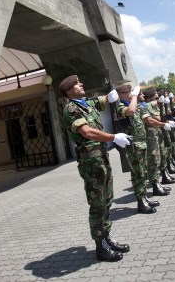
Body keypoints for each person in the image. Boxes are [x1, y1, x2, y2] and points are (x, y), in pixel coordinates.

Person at [60, 75, 132, 262]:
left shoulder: (85, 103)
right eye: (77, 83)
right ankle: (100, 247)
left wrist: (114, 94)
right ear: (68, 90)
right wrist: (113, 137)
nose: (81, 83)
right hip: (91, 164)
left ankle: (107, 238)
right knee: (97, 204)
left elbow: (103, 100)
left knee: (107, 200)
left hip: (101, 159)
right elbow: (87, 132)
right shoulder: (71, 108)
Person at [116, 84, 158, 214]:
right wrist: (135, 95)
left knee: (143, 172)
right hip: (133, 147)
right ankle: (141, 202)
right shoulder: (121, 107)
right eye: (128, 91)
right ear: (121, 94)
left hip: (141, 144)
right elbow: (131, 111)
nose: (131, 93)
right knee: (138, 174)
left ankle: (144, 197)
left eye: (131, 91)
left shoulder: (134, 104)